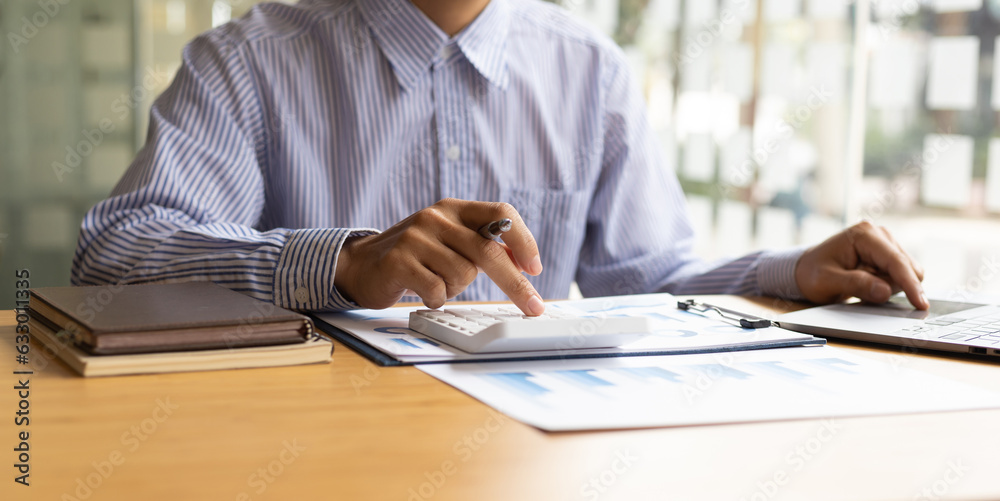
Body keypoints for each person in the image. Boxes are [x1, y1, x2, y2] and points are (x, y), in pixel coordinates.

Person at [71, 0, 929, 316]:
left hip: (534, 458)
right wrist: (336, 263)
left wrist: (790, 268)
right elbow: (112, 255)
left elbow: (650, 281)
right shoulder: (247, 59)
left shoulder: (590, 69)